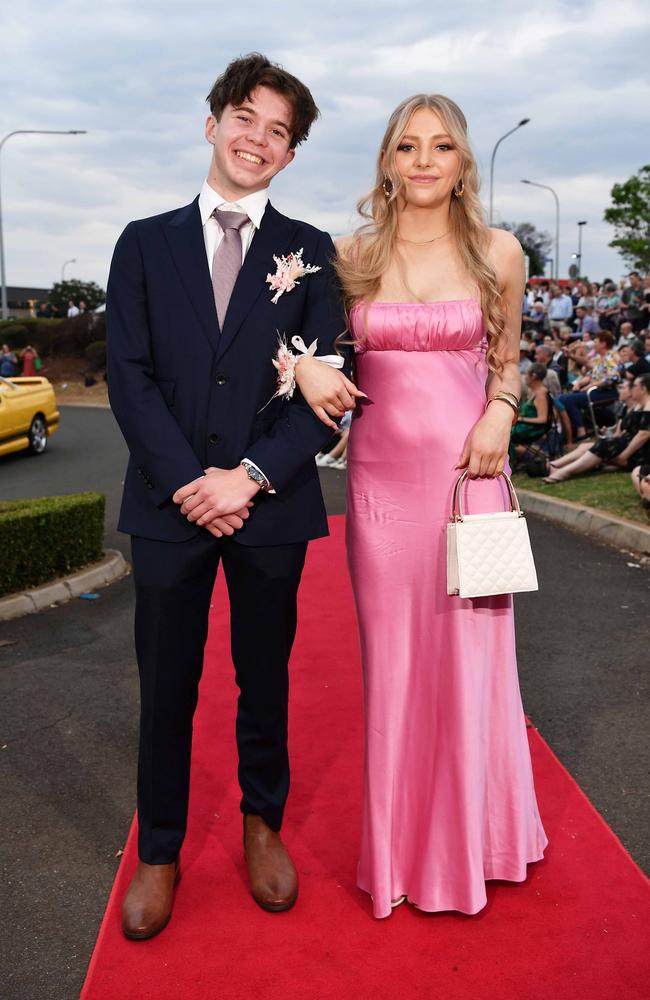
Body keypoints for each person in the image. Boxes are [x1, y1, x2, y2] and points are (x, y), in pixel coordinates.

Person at [106, 53, 352, 941]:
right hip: (168, 506)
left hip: (269, 506)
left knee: (264, 677)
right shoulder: (142, 242)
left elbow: (333, 385)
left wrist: (246, 477)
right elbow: (127, 378)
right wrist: (187, 482)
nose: (257, 139)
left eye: (278, 131)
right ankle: (161, 851)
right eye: (245, 118)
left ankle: (261, 824)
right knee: (165, 684)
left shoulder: (315, 254)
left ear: (289, 156)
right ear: (212, 124)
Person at [295, 93, 547, 917]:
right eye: (409, 147)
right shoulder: (351, 256)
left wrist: (501, 414)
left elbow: (507, 364)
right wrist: (304, 371)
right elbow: (306, 348)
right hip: (380, 492)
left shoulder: (497, 253)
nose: (426, 160)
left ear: (464, 160)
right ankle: (404, 852)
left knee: (472, 665)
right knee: (396, 665)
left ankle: (482, 843)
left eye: (442, 146)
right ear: (388, 163)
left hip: (467, 478)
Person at [544, 375, 650, 482]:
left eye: (635, 386)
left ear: (644, 389)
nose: (632, 389)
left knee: (603, 445)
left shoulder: (648, 405)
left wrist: (624, 455)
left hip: (641, 452)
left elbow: (644, 434)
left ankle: (563, 472)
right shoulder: (639, 405)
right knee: (592, 445)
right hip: (630, 446)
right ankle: (555, 465)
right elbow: (624, 432)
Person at [557, 330, 621, 438]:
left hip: (607, 391)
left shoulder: (612, 357)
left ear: (603, 343)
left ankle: (581, 430)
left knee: (569, 400)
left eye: (596, 342)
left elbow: (612, 378)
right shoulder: (598, 358)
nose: (593, 345)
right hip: (596, 390)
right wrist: (579, 383)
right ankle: (570, 430)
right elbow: (590, 375)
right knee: (561, 398)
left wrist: (591, 385)